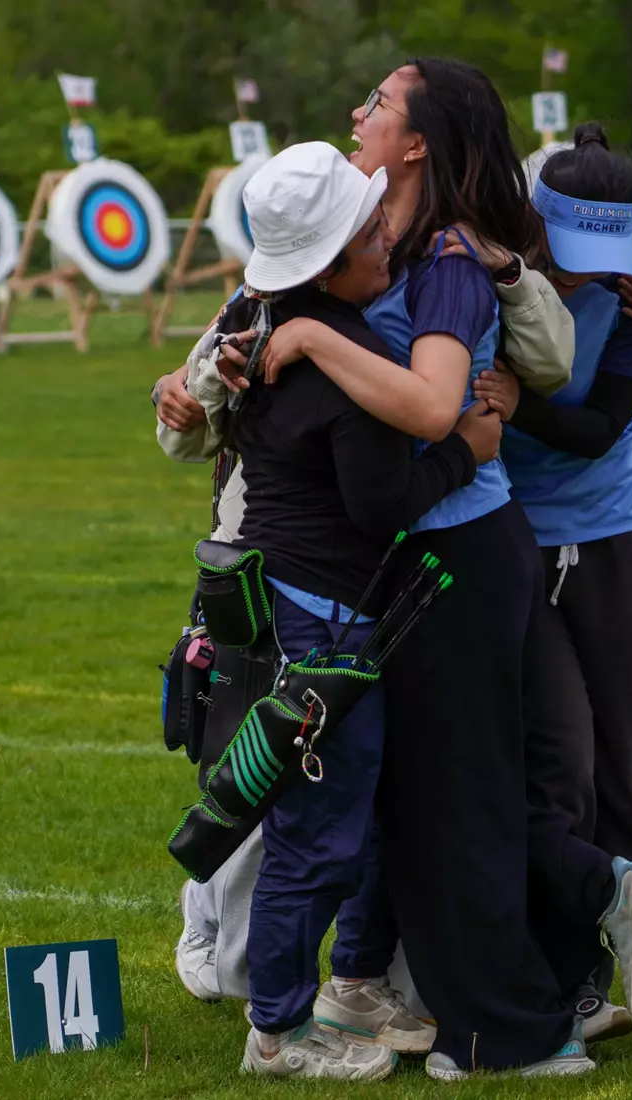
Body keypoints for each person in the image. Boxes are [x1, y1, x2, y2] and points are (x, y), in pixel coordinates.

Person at [251, 61, 632, 1079]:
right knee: (447, 793)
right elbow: (261, 302)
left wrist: (312, 336)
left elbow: (439, 404)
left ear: (418, 145)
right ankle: (516, 985)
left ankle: (501, 1023)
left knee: (459, 797)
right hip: (434, 549)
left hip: (452, 546)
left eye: (381, 104)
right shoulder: (377, 239)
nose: (357, 112)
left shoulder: (444, 255)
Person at [193, 140, 502, 1080]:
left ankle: (314, 1004)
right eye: (370, 232)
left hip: (290, 605)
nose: (388, 241)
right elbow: (381, 508)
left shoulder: (270, 325)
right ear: (329, 265)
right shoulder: (343, 358)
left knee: (332, 825)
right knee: (317, 836)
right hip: (316, 620)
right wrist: (469, 450)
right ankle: (280, 1034)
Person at [471, 122, 632, 1024]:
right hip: (512, 537)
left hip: (614, 540)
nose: (581, 273)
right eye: (565, 251)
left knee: (618, 768)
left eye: (600, 252)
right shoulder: (482, 255)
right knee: (553, 765)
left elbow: (600, 427)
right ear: (529, 218)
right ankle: (570, 965)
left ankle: (625, 955)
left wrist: (516, 401)